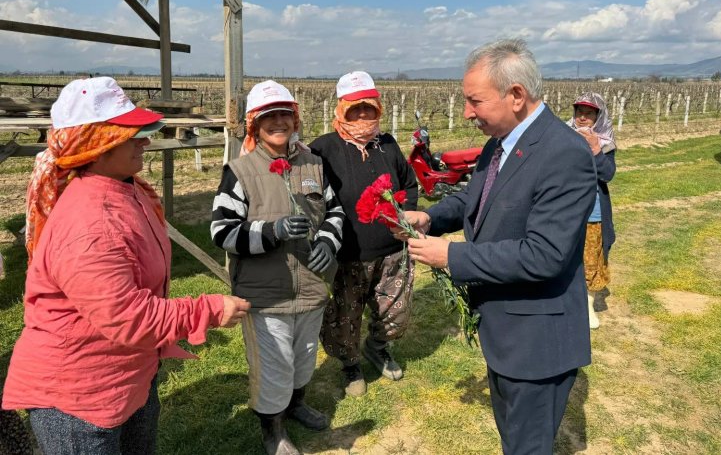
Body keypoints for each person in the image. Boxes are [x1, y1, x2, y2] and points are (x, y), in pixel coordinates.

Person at [2, 76, 249, 455]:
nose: (145, 140)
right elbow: (129, 317)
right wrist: (211, 309)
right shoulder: (91, 223)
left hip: (126, 373)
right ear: (97, 145)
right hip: (80, 397)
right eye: (131, 133)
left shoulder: (124, 188)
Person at [397, 39, 598, 454]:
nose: (467, 112)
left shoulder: (564, 153)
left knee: (527, 447)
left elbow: (544, 255)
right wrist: (431, 217)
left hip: (537, 343)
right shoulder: (500, 142)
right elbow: (477, 198)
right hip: (507, 333)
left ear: (517, 96)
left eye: (475, 101)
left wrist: (451, 256)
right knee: (514, 439)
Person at [211, 80, 345, 455]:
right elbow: (221, 231)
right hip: (265, 294)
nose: (279, 122)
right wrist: (271, 231)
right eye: (269, 116)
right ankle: (273, 431)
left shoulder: (313, 163)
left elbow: (334, 211)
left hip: (311, 289)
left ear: (294, 118)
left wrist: (327, 242)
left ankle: (296, 403)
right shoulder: (239, 171)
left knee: (303, 360)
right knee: (274, 368)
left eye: (284, 114)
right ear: (255, 124)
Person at [309, 71, 418, 397]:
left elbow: (408, 183)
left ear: (377, 109)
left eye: (368, 108)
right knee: (346, 314)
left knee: (395, 311)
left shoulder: (387, 145)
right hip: (349, 254)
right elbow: (311, 197)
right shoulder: (322, 149)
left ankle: (377, 346)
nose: (362, 116)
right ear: (341, 109)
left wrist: (406, 217)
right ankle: (350, 363)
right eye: (354, 109)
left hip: (393, 249)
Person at [568, 92, 616, 329]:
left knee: (589, 261)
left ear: (598, 116)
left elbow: (607, 174)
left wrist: (596, 150)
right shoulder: (562, 137)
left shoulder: (605, 142)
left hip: (592, 213)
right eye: (580, 112)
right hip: (565, 210)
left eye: (589, 113)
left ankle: (587, 307)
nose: (583, 117)